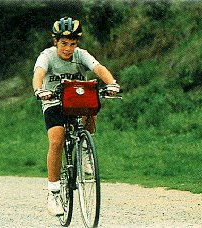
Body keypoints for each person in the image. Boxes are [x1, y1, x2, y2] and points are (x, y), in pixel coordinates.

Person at [32, 17, 120, 216]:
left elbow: (98, 68)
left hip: (77, 101)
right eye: (64, 43)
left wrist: (112, 82)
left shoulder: (81, 55)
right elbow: (38, 73)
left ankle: (86, 150)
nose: (68, 49)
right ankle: (53, 194)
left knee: (92, 102)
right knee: (56, 141)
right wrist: (39, 90)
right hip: (53, 102)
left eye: (72, 44)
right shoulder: (47, 56)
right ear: (56, 42)